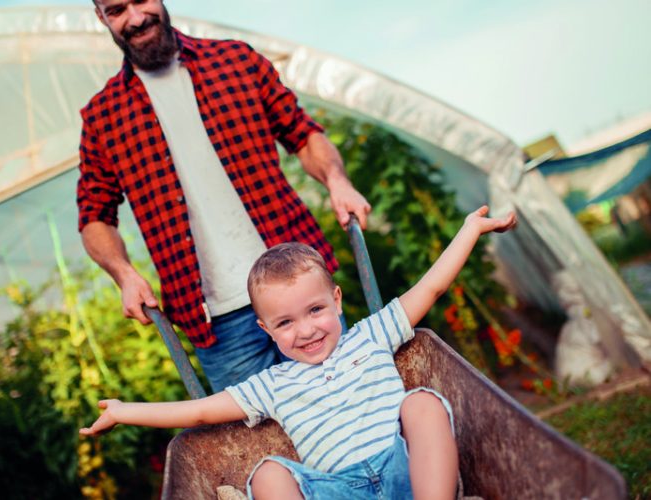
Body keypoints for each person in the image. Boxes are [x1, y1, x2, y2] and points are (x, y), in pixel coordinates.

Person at [80, 205, 517, 499]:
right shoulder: (271, 385)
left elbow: (433, 285)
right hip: (337, 489)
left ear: (338, 301)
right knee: (268, 472)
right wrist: (123, 411)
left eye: (315, 310)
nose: (305, 330)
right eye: (285, 323)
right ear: (265, 329)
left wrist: (470, 230)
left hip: (406, 468)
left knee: (422, 403)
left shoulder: (372, 334)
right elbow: (197, 413)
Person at [78, 0, 371, 391]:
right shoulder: (103, 117)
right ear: (101, 17)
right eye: (116, 10)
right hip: (217, 324)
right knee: (261, 445)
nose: (134, 18)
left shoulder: (235, 61)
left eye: (140, 1)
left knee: (353, 406)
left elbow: (303, 135)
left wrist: (337, 180)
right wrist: (124, 274)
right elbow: (94, 215)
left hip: (299, 291)